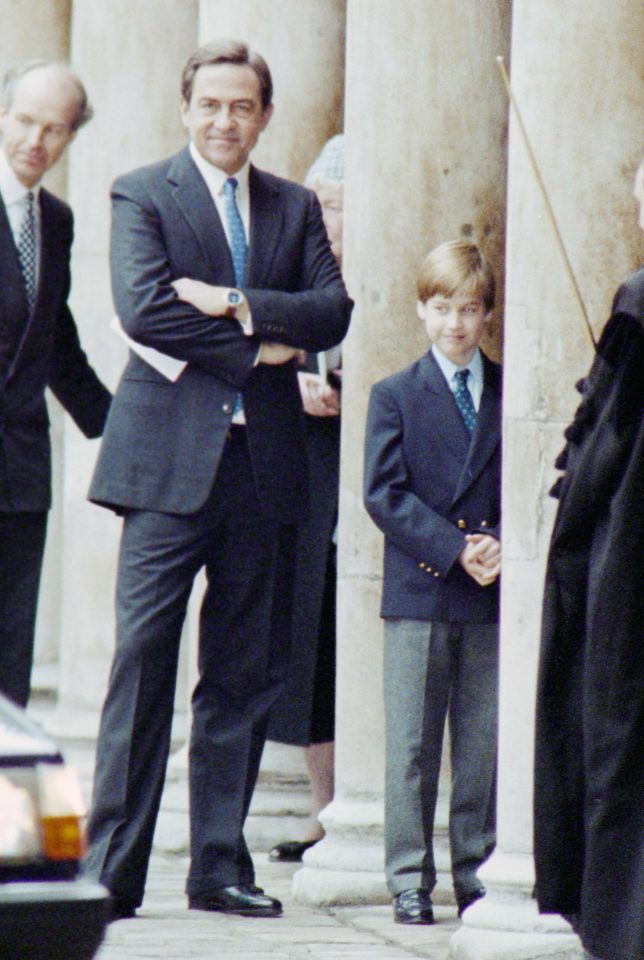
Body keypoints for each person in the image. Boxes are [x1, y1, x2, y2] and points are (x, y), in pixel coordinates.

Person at [85, 40, 352, 922]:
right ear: (186, 108)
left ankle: (217, 866)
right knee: (142, 665)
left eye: (242, 107)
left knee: (241, 676)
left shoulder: (292, 205)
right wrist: (260, 350)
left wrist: (236, 302)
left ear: (264, 115)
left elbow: (331, 308)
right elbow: (144, 306)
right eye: (210, 105)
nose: (225, 121)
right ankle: (110, 870)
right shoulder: (141, 192)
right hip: (164, 471)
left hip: (263, 471)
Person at [364, 241, 502, 924]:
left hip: (491, 589)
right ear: (421, 310)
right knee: (412, 747)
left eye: (469, 310)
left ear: (486, 316)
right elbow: (382, 495)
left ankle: (475, 871)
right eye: (442, 308)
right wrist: (454, 549)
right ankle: (408, 879)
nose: (455, 325)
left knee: (480, 744)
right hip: (421, 590)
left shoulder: (508, 390)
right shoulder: (393, 395)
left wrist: (497, 546)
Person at [534, 159, 644, 960]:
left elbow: (604, 444)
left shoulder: (638, 303)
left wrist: (572, 480)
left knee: (615, 734)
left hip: (634, 563)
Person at [0, 60, 111, 708]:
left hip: (19, 474)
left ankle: (7, 807)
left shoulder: (57, 221)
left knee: (10, 661)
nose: (35, 141)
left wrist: (125, 425)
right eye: (23, 121)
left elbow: (55, 343)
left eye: (55, 129)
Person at [267, 134, 344, 864]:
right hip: (304, 483)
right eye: (321, 206)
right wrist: (292, 387)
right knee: (311, 650)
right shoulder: (294, 282)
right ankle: (326, 813)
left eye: (340, 208)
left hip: (373, 484)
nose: (328, 220)